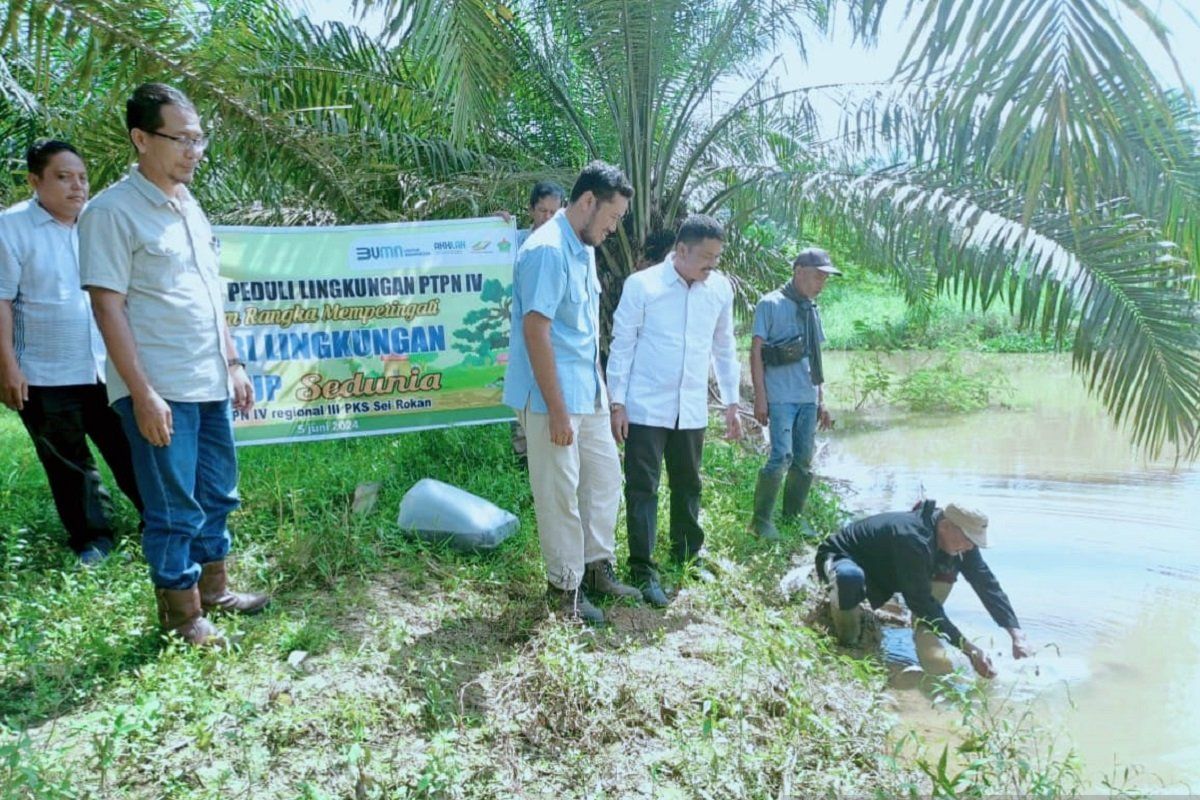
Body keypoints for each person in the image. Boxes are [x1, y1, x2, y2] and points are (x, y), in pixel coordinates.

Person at [79, 83, 269, 647]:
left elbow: (211, 296)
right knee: (171, 505)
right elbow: (106, 307)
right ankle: (181, 615)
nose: (194, 150)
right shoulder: (111, 212)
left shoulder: (189, 206)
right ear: (141, 139)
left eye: (199, 138)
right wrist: (141, 392)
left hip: (209, 379)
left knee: (218, 492)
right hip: (160, 387)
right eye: (181, 139)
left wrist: (233, 363)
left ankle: (215, 590)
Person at [503, 160, 641, 624]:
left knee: (603, 482)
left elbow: (582, 334)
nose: (614, 227)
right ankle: (565, 592)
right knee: (559, 493)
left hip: (588, 394)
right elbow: (536, 333)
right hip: (551, 400)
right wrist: (558, 413)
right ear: (587, 202)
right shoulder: (546, 250)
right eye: (613, 216)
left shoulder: (583, 246)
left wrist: (601, 395)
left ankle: (597, 569)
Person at [0, 140, 143, 564]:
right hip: (45, 372)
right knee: (68, 462)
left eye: (81, 177)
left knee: (131, 447)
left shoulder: (100, 222)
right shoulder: (10, 228)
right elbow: (1, 299)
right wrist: (7, 366)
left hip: (108, 365)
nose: (77, 186)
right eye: (63, 177)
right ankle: (92, 538)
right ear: (34, 181)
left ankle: (158, 519)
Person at [606, 214, 741, 607]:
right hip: (645, 407)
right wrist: (617, 402)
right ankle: (643, 569)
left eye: (717, 257)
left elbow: (724, 346)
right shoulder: (642, 286)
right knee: (642, 489)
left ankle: (686, 556)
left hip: (691, 407)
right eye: (706, 257)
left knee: (688, 484)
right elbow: (622, 346)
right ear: (681, 250)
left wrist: (732, 401)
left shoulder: (718, 290)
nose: (712, 265)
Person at [815, 499, 1035, 678]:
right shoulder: (912, 538)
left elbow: (985, 582)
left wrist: (1016, 634)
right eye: (969, 539)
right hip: (844, 559)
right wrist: (969, 649)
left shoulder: (959, 541)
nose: (970, 546)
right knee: (849, 579)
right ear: (946, 526)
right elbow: (920, 602)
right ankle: (849, 645)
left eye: (975, 543)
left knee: (946, 570)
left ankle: (925, 638)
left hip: (889, 567)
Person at [748, 248, 840, 540]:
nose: (821, 284)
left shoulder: (812, 309)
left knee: (803, 460)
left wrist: (821, 401)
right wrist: (760, 397)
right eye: (817, 277)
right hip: (780, 396)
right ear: (799, 271)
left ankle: (793, 517)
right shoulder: (770, 304)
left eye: (825, 279)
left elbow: (815, 356)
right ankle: (761, 521)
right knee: (780, 457)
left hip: (807, 397)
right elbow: (756, 352)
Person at [510, 181, 567, 463]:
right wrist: (494, 227)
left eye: (553, 212)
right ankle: (522, 456)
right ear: (531, 209)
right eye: (542, 210)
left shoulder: (567, 247)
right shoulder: (515, 241)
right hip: (521, 333)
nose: (547, 217)